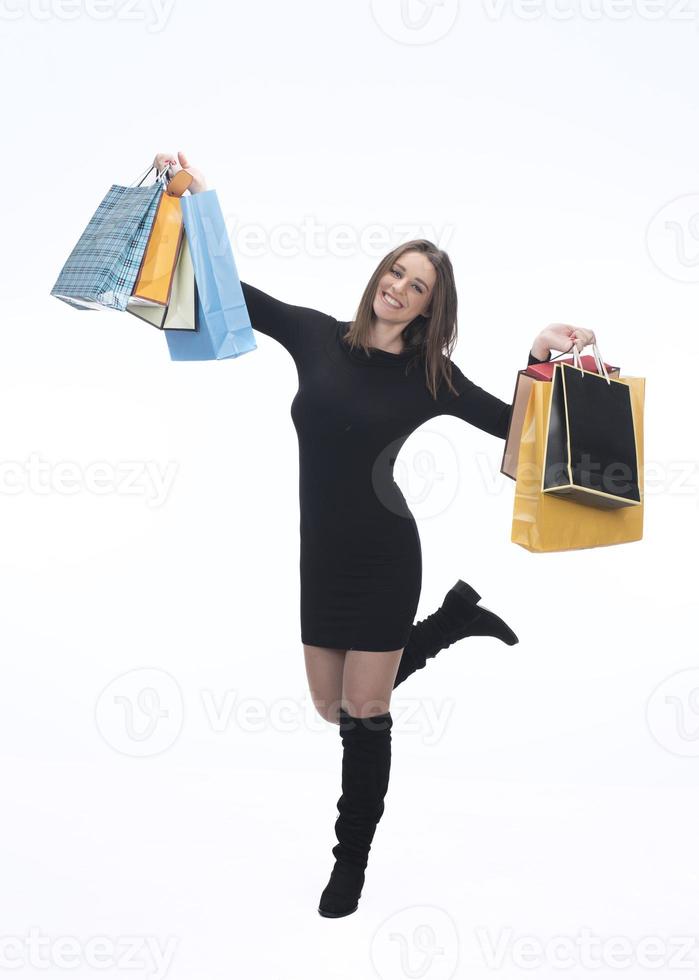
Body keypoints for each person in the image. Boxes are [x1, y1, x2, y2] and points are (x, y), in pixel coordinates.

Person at [153, 152, 596, 918]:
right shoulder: (316, 335)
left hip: (386, 554)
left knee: (365, 717)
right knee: (331, 706)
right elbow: (223, 284)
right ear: (378, 276)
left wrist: (533, 356)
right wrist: (187, 194)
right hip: (320, 556)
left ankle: (348, 864)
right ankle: (454, 622)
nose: (398, 287)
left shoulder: (431, 377)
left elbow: (515, 438)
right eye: (395, 272)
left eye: (416, 285)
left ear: (428, 307)